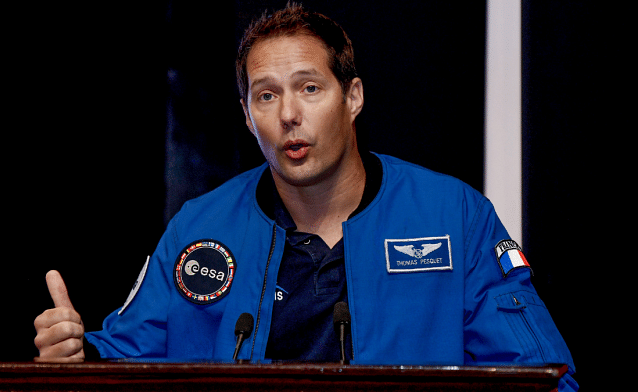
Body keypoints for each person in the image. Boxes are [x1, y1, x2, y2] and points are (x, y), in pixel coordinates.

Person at [33, 4, 578, 390]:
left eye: (309, 87)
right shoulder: (200, 229)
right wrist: (78, 355)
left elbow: (545, 378)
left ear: (354, 97)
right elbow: (127, 357)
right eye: (266, 95)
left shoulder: (454, 215)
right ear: (248, 117)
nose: (289, 114)